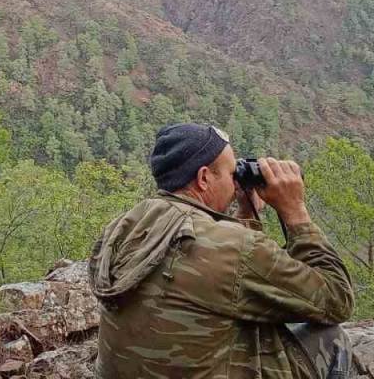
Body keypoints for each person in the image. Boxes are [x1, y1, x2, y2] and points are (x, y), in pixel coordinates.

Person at [89, 122, 355, 379]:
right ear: (204, 178)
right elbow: (336, 299)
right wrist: (296, 212)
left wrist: (246, 214)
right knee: (332, 338)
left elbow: (228, 281)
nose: (235, 183)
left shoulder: (126, 225)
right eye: (231, 174)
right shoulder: (232, 247)